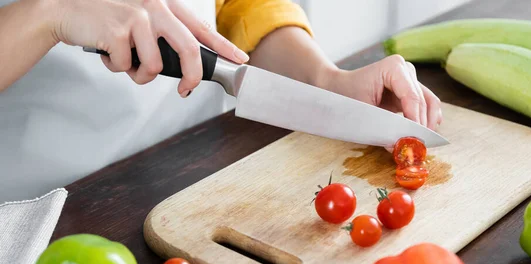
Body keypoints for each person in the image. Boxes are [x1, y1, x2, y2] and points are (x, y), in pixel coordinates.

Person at [0, 0, 443, 203]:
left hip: (188, 179)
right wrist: (47, 13)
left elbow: (235, 5)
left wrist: (324, 79)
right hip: (37, 212)